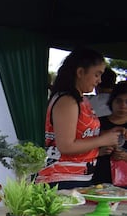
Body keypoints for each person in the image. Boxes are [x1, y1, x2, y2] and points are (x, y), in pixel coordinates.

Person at [36, 48, 123, 189]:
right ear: (80, 72)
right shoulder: (67, 100)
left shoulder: (81, 99)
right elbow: (65, 145)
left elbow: (79, 135)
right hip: (62, 178)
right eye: (97, 74)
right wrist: (102, 140)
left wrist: (108, 135)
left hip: (78, 176)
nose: (99, 80)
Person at [92, 81, 127, 185]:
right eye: (119, 101)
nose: (123, 106)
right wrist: (98, 152)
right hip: (98, 180)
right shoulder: (96, 123)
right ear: (111, 101)